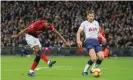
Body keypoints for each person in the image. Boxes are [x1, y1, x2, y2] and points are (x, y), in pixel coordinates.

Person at [76, 10, 106, 76]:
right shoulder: (84, 23)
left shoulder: (96, 23)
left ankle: (93, 69)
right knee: (93, 58)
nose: (91, 17)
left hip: (96, 41)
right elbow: (78, 32)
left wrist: (102, 37)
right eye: (90, 16)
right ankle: (84, 71)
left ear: (94, 16)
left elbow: (98, 33)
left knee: (101, 57)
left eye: (92, 16)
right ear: (87, 16)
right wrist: (78, 40)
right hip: (88, 41)